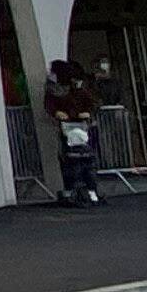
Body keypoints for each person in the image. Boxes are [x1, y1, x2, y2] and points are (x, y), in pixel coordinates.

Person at [42, 58, 102, 206]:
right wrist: (56, 113)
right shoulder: (53, 89)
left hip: (80, 126)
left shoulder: (77, 88)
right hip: (66, 127)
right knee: (69, 159)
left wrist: (87, 112)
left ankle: (90, 189)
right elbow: (49, 105)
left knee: (86, 159)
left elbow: (92, 102)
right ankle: (71, 189)